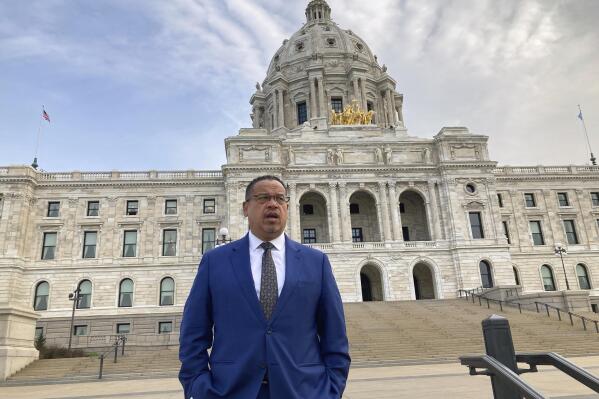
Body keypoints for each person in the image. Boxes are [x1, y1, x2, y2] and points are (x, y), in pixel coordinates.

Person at [179, 175, 351, 399]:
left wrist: (331, 391)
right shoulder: (215, 261)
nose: (273, 204)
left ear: (287, 207)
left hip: (303, 391)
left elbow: (334, 335)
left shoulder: (316, 262)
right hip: (229, 391)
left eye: (280, 198)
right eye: (263, 198)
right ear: (245, 208)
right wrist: (198, 386)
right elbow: (193, 332)